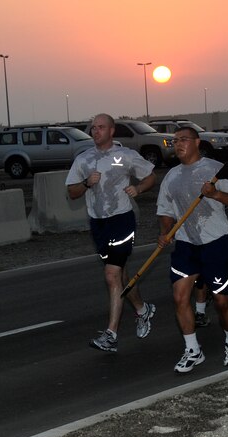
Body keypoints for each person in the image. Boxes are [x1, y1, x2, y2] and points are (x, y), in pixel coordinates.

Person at [156, 126, 228, 373]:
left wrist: (216, 194)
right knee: (179, 296)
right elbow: (165, 210)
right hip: (186, 244)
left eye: (183, 139)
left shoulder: (216, 169)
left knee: (221, 300)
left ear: (197, 142)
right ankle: (193, 350)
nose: (178, 144)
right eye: (174, 141)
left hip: (215, 242)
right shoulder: (171, 176)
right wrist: (166, 231)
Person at [66, 113, 157, 352]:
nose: (96, 131)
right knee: (120, 275)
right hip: (98, 224)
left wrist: (138, 188)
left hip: (121, 220)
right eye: (93, 128)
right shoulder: (84, 159)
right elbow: (71, 192)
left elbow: (150, 175)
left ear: (112, 131)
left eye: (101, 127)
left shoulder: (125, 155)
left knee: (111, 275)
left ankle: (111, 335)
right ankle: (142, 310)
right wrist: (86, 183)